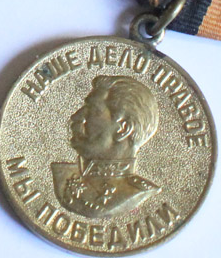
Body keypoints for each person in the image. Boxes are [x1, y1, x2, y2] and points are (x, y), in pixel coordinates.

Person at [51, 75, 161, 218]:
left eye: (93, 110)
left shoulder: (137, 193)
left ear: (123, 129)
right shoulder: (63, 177)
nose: (76, 117)